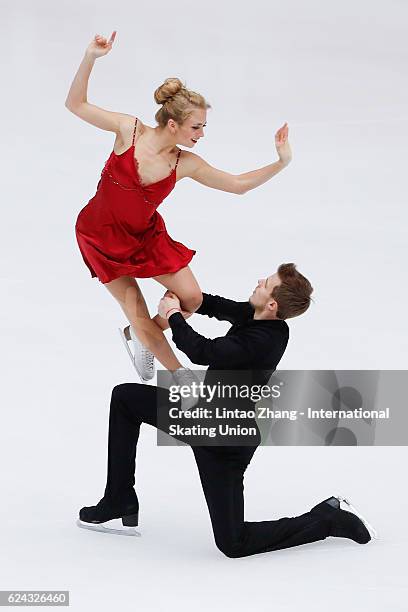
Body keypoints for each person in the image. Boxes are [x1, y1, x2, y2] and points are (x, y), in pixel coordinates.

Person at [77, 264, 377, 557]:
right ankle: (119, 498)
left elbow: (203, 351)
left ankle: (327, 519)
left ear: (272, 303)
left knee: (234, 544)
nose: (259, 280)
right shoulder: (255, 315)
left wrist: (174, 317)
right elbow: (214, 305)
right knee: (126, 398)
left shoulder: (265, 340)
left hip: (226, 441)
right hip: (201, 419)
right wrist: (182, 293)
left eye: (266, 283)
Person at [65, 31, 292, 385]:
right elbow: (76, 104)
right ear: (173, 124)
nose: (201, 133)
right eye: (196, 126)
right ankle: (178, 373)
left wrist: (280, 163)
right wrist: (90, 57)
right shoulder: (129, 130)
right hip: (100, 238)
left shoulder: (185, 163)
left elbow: (237, 185)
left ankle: (142, 333)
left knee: (192, 297)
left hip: (145, 237)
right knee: (137, 310)